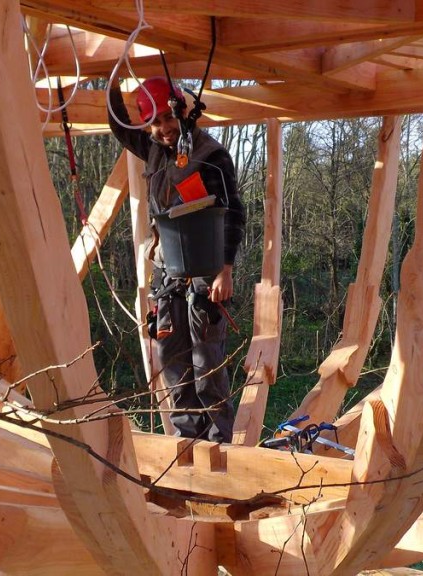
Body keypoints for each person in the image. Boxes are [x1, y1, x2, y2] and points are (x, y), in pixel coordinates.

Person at [107, 77, 246, 443]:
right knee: (173, 361)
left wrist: (226, 270)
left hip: (207, 276)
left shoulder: (210, 155)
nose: (163, 130)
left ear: (182, 112)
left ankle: (218, 446)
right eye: (154, 123)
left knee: (206, 364)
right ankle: (188, 441)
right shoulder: (153, 149)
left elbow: (234, 212)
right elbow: (118, 127)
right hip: (169, 276)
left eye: (167, 120)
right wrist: (112, 79)